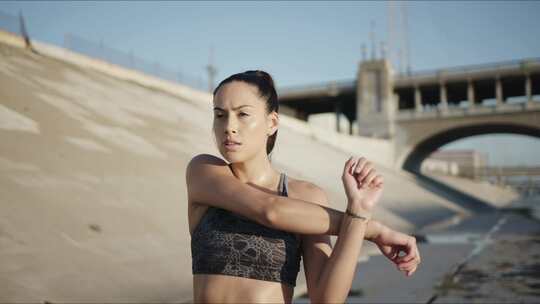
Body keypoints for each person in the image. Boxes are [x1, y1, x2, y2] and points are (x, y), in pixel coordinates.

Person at [186, 70, 421, 303]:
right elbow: (270, 210)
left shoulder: (306, 196)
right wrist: (372, 230)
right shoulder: (204, 172)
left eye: (243, 114)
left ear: (272, 122)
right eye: (220, 115)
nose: (229, 126)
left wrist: (359, 212)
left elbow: (326, 299)